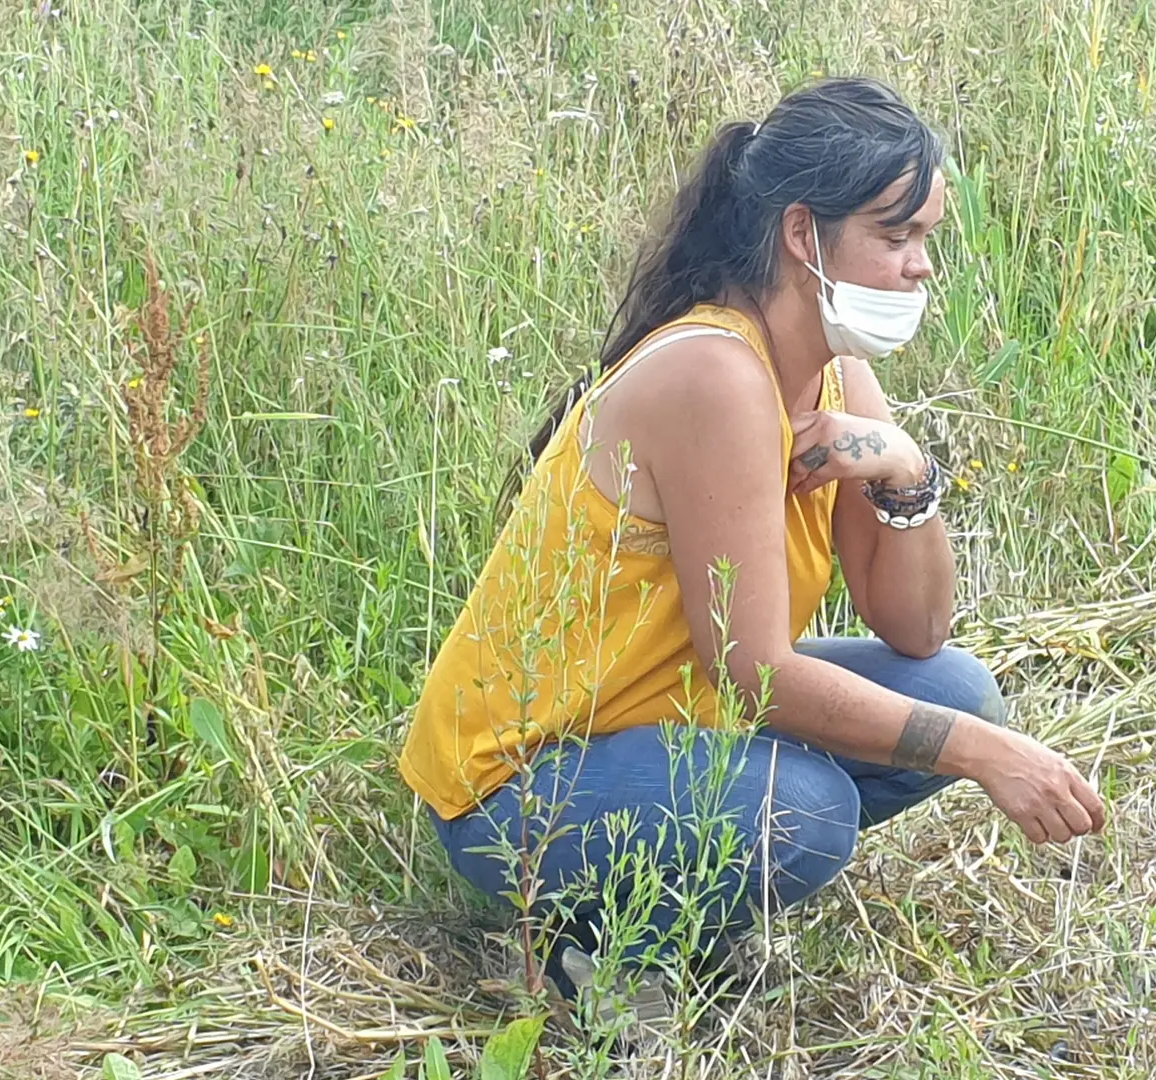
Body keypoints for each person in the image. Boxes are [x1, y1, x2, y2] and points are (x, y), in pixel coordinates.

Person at [398, 76, 1106, 1037]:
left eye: (926, 239)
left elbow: (916, 627)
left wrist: (903, 468)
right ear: (803, 235)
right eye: (894, 238)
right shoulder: (716, 372)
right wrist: (986, 759)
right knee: (807, 814)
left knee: (957, 688)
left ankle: (671, 901)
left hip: (658, 723)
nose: (920, 267)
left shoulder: (835, 366)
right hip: (519, 781)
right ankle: (589, 941)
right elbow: (760, 675)